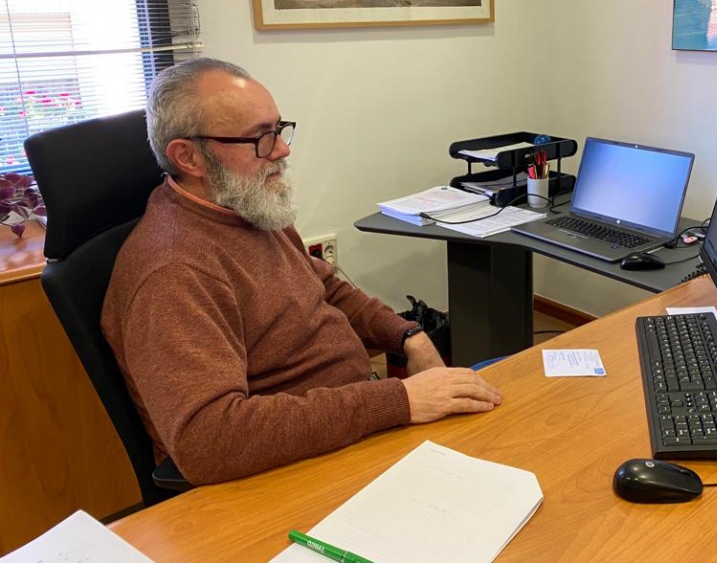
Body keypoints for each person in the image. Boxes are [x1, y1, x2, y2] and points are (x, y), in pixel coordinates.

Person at [102, 58, 501, 485]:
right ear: (188, 157)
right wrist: (397, 401)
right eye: (260, 138)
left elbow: (323, 285)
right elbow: (209, 440)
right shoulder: (173, 272)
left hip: (349, 421)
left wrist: (407, 335)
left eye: (278, 128)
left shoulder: (245, 206)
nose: (282, 149)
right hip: (291, 472)